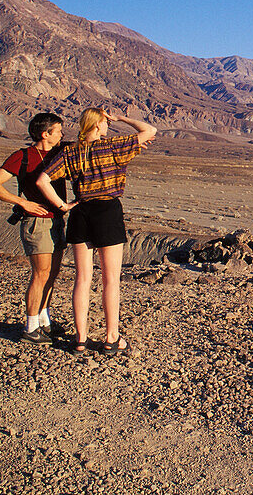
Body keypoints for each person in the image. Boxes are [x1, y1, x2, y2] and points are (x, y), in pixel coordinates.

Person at [35, 108, 156, 356]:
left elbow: (41, 181)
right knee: (111, 279)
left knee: (82, 279)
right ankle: (111, 338)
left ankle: (81, 339)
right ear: (100, 125)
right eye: (106, 124)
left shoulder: (69, 151)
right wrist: (121, 118)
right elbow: (150, 131)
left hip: (80, 213)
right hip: (107, 212)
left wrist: (62, 206)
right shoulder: (112, 147)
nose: (108, 127)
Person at [0, 112, 70, 345]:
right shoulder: (22, 157)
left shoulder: (60, 153)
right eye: (58, 131)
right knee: (41, 274)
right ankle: (30, 326)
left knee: (52, 274)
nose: (62, 134)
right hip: (37, 223)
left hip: (56, 219)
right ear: (46, 134)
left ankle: (44, 321)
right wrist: (23, 202)